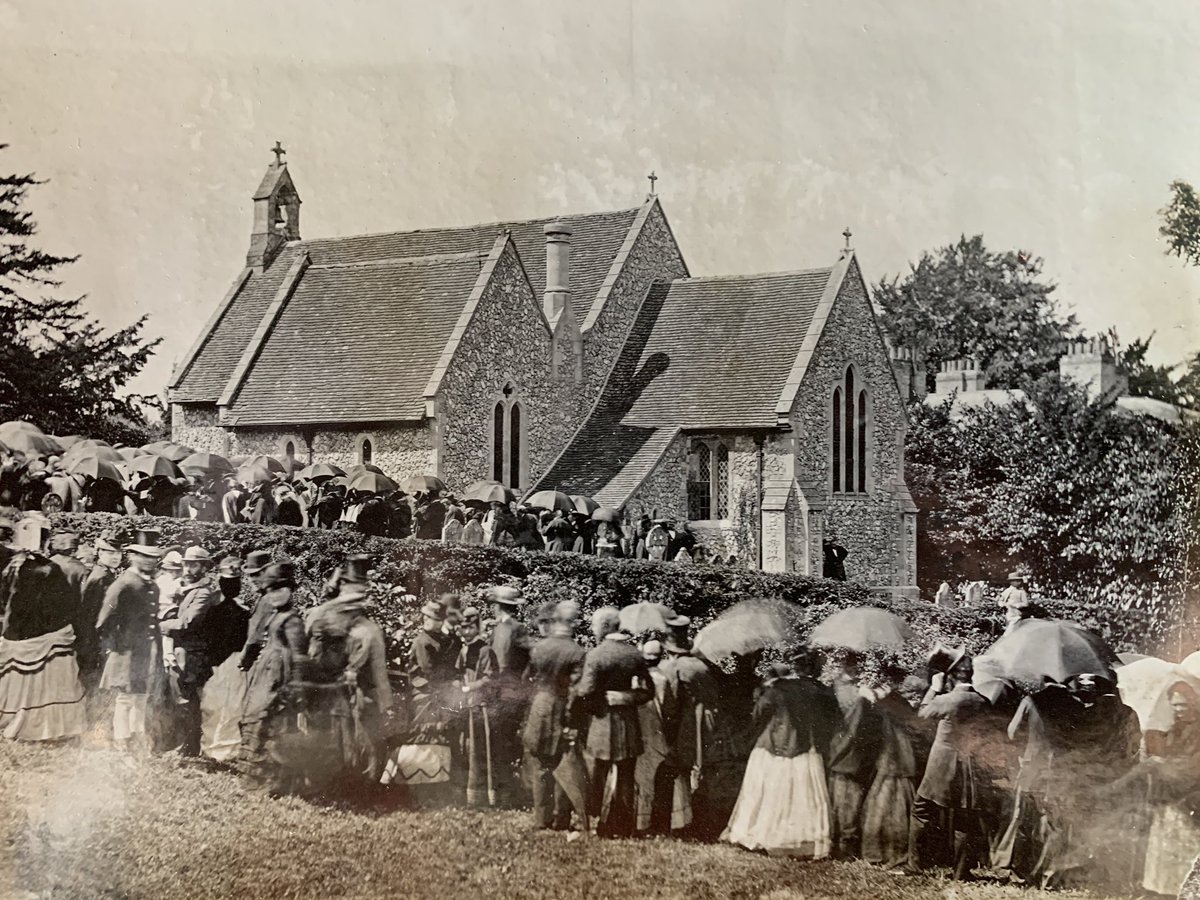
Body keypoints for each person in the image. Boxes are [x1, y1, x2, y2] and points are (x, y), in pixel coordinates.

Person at [722, 659, 839, 857]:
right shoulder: (814, 689)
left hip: (773, 747)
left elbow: (756, 716)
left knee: (767, 793)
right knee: (802, 794)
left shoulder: (775, 691)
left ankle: (765, 835)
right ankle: (802, 840)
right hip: (804, 748)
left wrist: (759, 695)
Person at [306, 553, 392, 787]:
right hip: (329, 691)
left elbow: (376, 668)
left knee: (355, 737)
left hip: (348, 693)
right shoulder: (322, 618)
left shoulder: (366, 628)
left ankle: (350, 779)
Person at [907, 645, 991, 880]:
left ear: (951, 676)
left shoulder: (946, 700)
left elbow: (922, 715)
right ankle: (961, 872)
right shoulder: (983, 701)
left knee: (921, 810)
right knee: (964, 817)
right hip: (969, 764)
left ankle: (914, 866)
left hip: (942, 763)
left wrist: (934, 689)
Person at [0, 513, 87, 742]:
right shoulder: (50, 568)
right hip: (46, 637)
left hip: (14, 633)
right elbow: (62, 604)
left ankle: (13, 717)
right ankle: (41, 726)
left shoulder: (10, 565)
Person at [576, 606, 653, 838]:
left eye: (594, 624)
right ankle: (623, 825)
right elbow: (649, 691)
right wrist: (627, 697)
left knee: (597, 773)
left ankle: (595, 822)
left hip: (601, 722)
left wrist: (592, 705)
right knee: (627, 775)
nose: (592, 628)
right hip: (628, 723)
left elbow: (585, 692)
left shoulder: (596, 655)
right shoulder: (634, 655)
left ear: (604, 627)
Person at [239, 560, 308, 794]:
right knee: (258, 719)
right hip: (268, 672)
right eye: (271, 591)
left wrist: (297, 685)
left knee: (272, 723)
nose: (276, 596)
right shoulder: (277, 614)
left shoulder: (293, 620)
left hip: (281, 676)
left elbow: (299, 655)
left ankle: (275, 781)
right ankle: (259, 779)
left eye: (281, 590)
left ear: (290, 591)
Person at [97, 528, 165, 753]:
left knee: (141, 695)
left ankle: (137, 736)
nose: (149, 561)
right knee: (125, 697)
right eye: (144, 556)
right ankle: (121, 740)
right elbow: (104, 618)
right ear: (133, 556)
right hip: (126, 650)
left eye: (153, 557)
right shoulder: (124, 583)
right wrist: (114, 644)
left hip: (146, 650)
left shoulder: (152, 585)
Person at [523, 600, 588, 831]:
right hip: (562, 707)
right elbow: (576, 690)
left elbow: (526, 679)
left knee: (540, 763)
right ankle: (562, 818)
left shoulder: (539, 648)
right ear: (571, 623)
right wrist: (572, 719)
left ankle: (542, 818)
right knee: (563, 762)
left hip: (540, 705)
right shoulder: (577, 652)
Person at [160, 546, 219, 757]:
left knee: (188, 701)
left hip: (192, 654)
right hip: (182, 650)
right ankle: (185, 744)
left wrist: (161, 625)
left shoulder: (203, 593)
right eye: (185, 564)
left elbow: (188, 622)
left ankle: (190, 746)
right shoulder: (185, 588)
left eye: (193, 564)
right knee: (181, 699)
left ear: (204, 567)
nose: (187, 568)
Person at [862, 662, 921, 868]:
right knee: (898, 801)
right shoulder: (898, 701)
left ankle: (882, 849)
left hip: (891, 756)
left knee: (883, 802)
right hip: (899, 756)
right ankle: (892, 849)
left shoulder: (885, 701)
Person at [826, 651, 882, 859]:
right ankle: (845, 846)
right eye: (855, 665)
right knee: (848, 799)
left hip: (838, 750)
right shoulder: (853, 692)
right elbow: (859, 722)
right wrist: (866, 699)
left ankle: (837, 842)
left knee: (839, 798)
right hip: (850, 753)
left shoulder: (836, 687)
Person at [633, 639, 690, 835]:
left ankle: (639, 820)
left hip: (638, 731)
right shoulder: (663, 679)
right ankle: (659, 822)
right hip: (657, 731)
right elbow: (670, 711)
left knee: (640, 774)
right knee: (657, 773)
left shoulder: (635, 678)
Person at [199, 555, 252, 762]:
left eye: (234, 583)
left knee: (229, 706)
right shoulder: (217, 609)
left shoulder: (238, 611)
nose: (231, 587)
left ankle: (223, 748)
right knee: (217, 705)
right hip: (221, 662)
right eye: (228, 583)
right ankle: (214, 747)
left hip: (229, 662)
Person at [486, 585, 533, 806]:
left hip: (505, 692)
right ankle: (508, 791)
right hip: (514, 691)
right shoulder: (516, 628)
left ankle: (507, 795)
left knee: (501, 742)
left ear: (497, 607)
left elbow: (502, 663)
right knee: (506, 741)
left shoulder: (506, 629)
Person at [456, 607, 500, 807]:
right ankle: (470, 795)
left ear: (478, 628)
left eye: (470, 628)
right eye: (463, 628)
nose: (466, 632)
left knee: (482, 749)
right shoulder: (464, 650)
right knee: (468, 748)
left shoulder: (485, 650)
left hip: (482, 705)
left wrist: (469, 687)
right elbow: (459, 671)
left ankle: (485, 796)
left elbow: (491, 678)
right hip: (467, 704)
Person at [78, 530, 124, 695]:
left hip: (105, 638)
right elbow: (91, 616)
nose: (116, 557)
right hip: (100, 641)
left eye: (118, 552)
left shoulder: (107, 574)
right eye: (110, 552)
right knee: (99, 687)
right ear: (99, 553)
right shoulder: (100, 578)